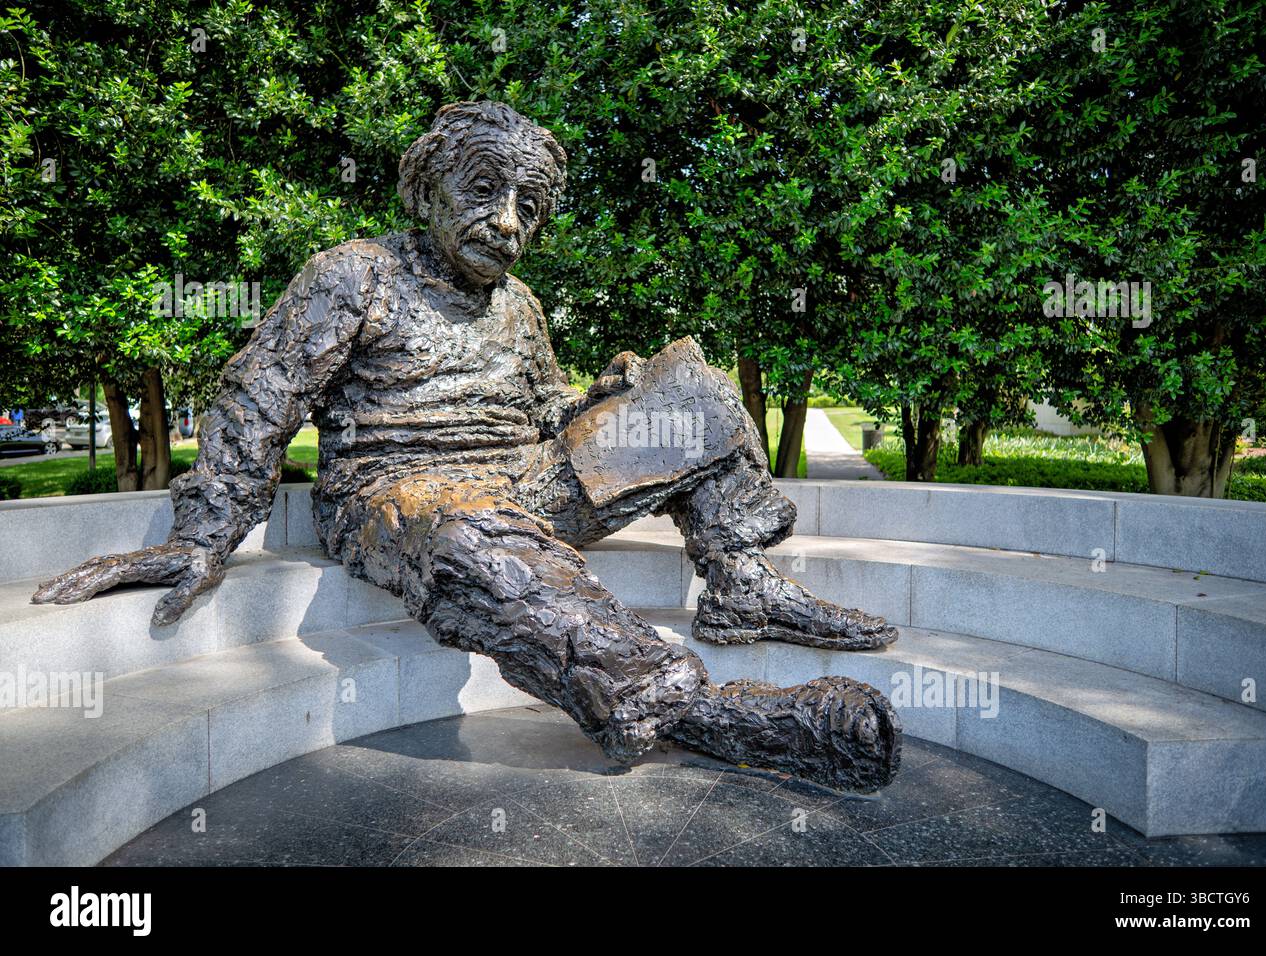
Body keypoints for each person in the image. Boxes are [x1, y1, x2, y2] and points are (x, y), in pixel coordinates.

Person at [33, 102, 901, 790]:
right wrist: (200, 536)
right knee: (471, 529)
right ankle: (689, 711)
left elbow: (537, 411)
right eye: (486, 191)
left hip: (517, 479)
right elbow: (259, 396)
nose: (508, 221)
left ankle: (741, 583)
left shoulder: (519, 306)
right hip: (397, 490)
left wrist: (601, 400)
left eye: (530, 206)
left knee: (693, 397)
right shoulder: (356, 275)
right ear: (426, 192)